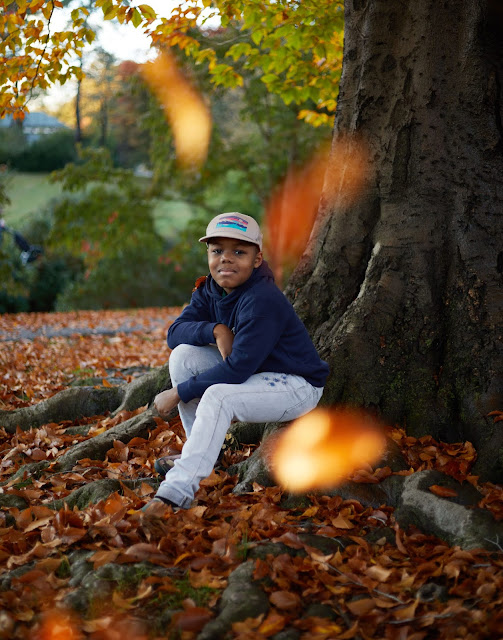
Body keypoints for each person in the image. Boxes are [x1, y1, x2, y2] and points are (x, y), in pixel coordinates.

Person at [142, 212, 329, 514]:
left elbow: (238, 368)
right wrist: (215, 329)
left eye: (238, 252)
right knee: (183, 356)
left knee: (217, 395)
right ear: (208, 256)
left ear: (257, 259)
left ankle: (175, 492)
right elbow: (175, 333)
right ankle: (203, 455)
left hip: (293, 384)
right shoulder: (210, 290)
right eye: (217, 251)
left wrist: (178, 393)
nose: (226, 259)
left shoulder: (262, 299)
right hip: (254, 372)